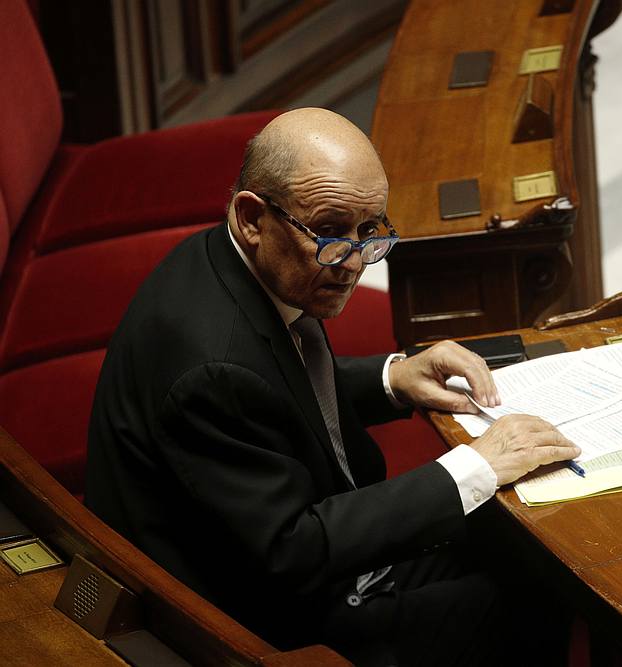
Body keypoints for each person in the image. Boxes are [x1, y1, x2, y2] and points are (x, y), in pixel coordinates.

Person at [86, 108, 581, 665]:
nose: (353, 261)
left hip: (275, 550)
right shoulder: (212, 369)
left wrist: (392, 377)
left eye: (369, 231)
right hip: (258, 623)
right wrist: (477, 466)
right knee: (531, 596)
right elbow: (290, 551)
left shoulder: (237, 258)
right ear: (253, 215)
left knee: (524, 540)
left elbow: (273, 387)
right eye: (330, 231)